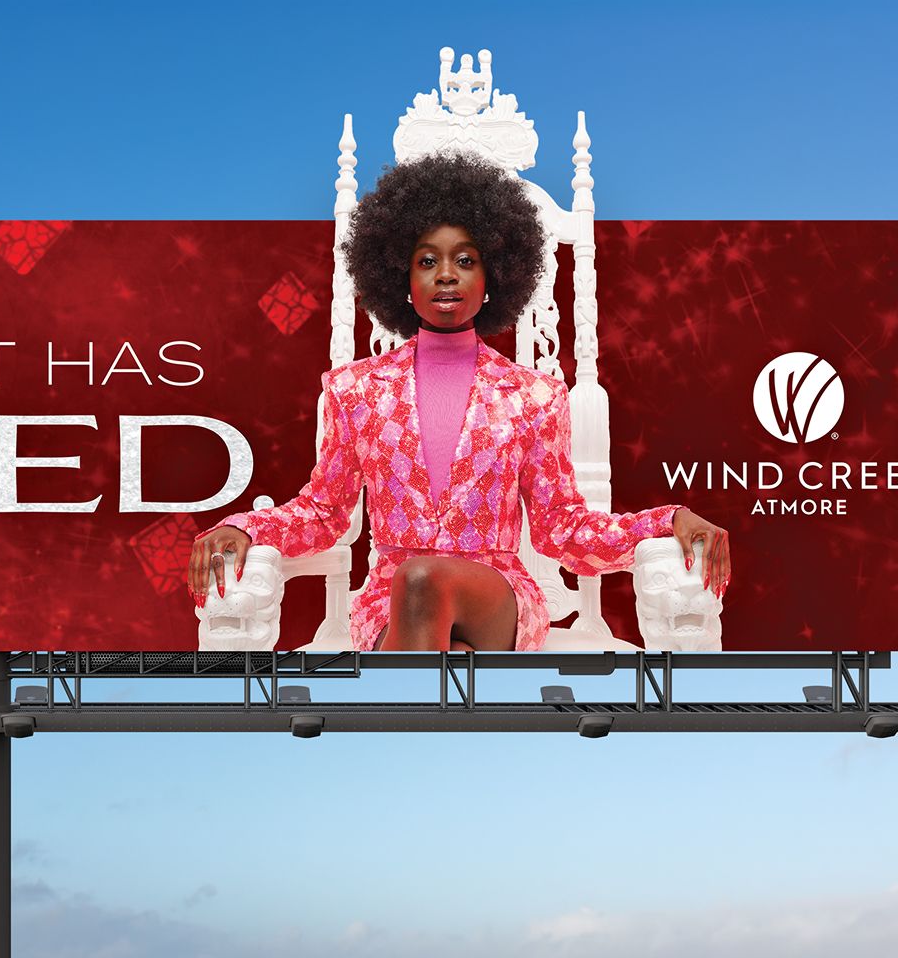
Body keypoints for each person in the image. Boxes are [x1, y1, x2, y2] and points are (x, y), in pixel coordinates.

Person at [185, 152, 731, 651]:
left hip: (497, 599)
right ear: (401, 277)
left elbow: (562, 528)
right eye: (427, 261)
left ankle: (404, 733)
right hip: (389, 605)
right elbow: (325, 514)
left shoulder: (534, 396)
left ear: (494, 276)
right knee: (419, 596)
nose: (446, 274)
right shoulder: (354, 391)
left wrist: (669, 519)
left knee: (424, 580)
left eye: (465, 260)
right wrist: (246, 527)